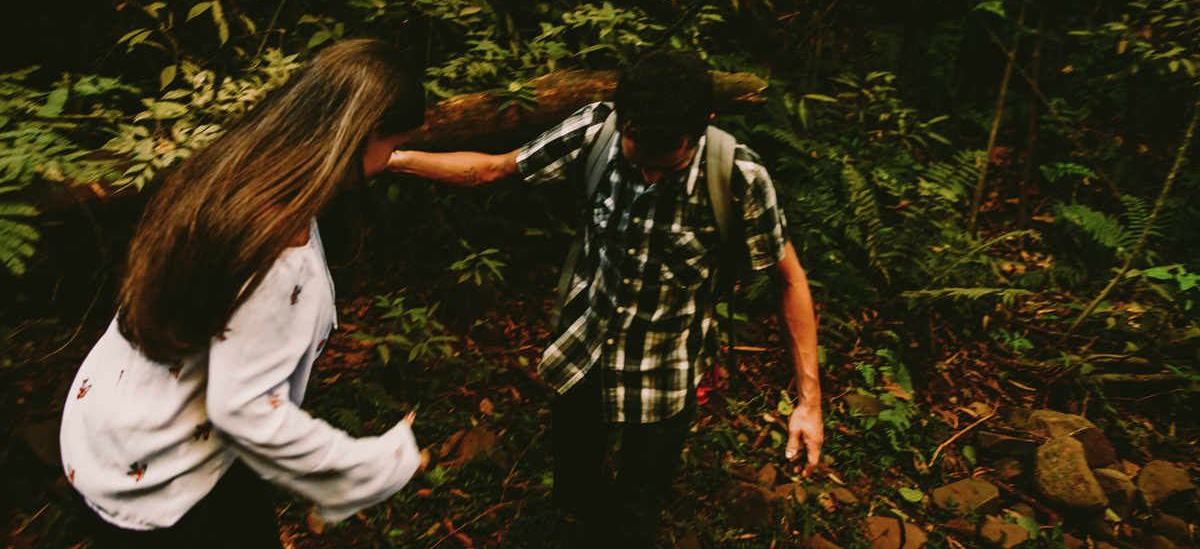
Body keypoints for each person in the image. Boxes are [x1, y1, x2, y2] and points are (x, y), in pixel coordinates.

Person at [388, 49, 823, 548]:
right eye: (638, 152)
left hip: (667, 373)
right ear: (623, 117)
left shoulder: (739, 176)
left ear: (704, 124)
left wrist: (809, 403)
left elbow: (790, 280)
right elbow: (492, 169)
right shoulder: (597, 131)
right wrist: (391, 160)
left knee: (636, 516)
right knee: (572, 494)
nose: (650, 177)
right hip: (585, 357)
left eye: (669, 162)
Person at [60, 39, 431, 548]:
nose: (392, 157)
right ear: (365, 135)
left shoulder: (234, 168)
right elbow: (247, 412)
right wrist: (377, 466)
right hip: (167, 485)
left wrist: (395, 159)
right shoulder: (281, 250)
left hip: (107, 434)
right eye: (394, 144)